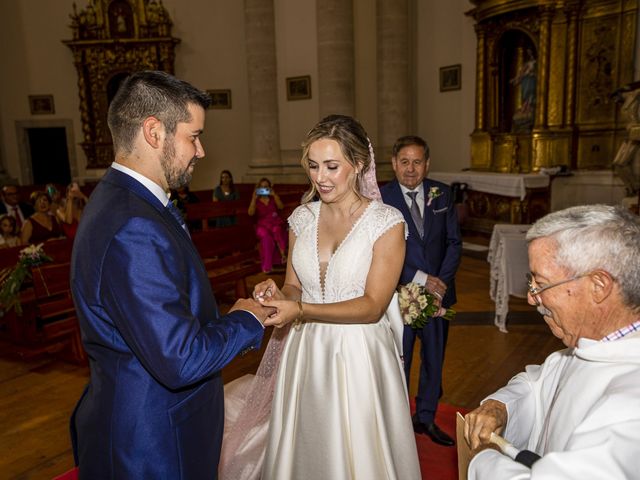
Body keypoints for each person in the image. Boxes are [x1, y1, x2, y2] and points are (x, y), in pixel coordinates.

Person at [69, 70, 271, 480]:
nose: (200, 150)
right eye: (193, 136)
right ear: (154, 131)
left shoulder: (126, 201)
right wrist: (246, 320)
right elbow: (179, 359)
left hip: (151, 424)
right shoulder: (133, 226)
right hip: (152, 444)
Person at [220, 114, 421, 479]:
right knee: (308, 443)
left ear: (358, 164)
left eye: (331, 166)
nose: (320, 177)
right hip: (306, 349)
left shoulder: (386, 222)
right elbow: (295, 284)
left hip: (359, 351)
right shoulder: (302, 217)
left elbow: (373, 305)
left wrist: (299, 309)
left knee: (358, 449)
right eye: (313, 166)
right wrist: (278, 292)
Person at [464, 204, 640, 480]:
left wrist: (481, 460)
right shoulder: (589, 350)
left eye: (541, 283)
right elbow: (537, 386)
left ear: (599, 286)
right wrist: (501, 407)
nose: (532, 298)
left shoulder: (631, 407)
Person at [380, 135, 462, 447]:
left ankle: (425, 417)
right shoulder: (382, 198)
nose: (411, 169)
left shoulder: (442, 194)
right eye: (404, 162)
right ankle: (397, 420)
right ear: (394, 164)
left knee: (434, 358)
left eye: (417, 162)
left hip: (440, 294)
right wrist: (420, 277)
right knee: (399, 358)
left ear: (427, 164)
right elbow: (378, 251)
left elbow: (454, 242)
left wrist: (439, 283)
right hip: (399, 292)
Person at [247, 177, 287, 273]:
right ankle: (267, 266)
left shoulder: (273, 198)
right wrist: (253, 198)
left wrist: (274, 194)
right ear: (258, 188)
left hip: (274, 223)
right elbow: (250, 213)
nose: (264, 189)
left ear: (270, 188)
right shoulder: (256, 200)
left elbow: (281, 206)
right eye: (261, 187)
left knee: (277, 230)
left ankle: (282, 256)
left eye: (266, 187)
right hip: (262, 226)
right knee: (266, 237)